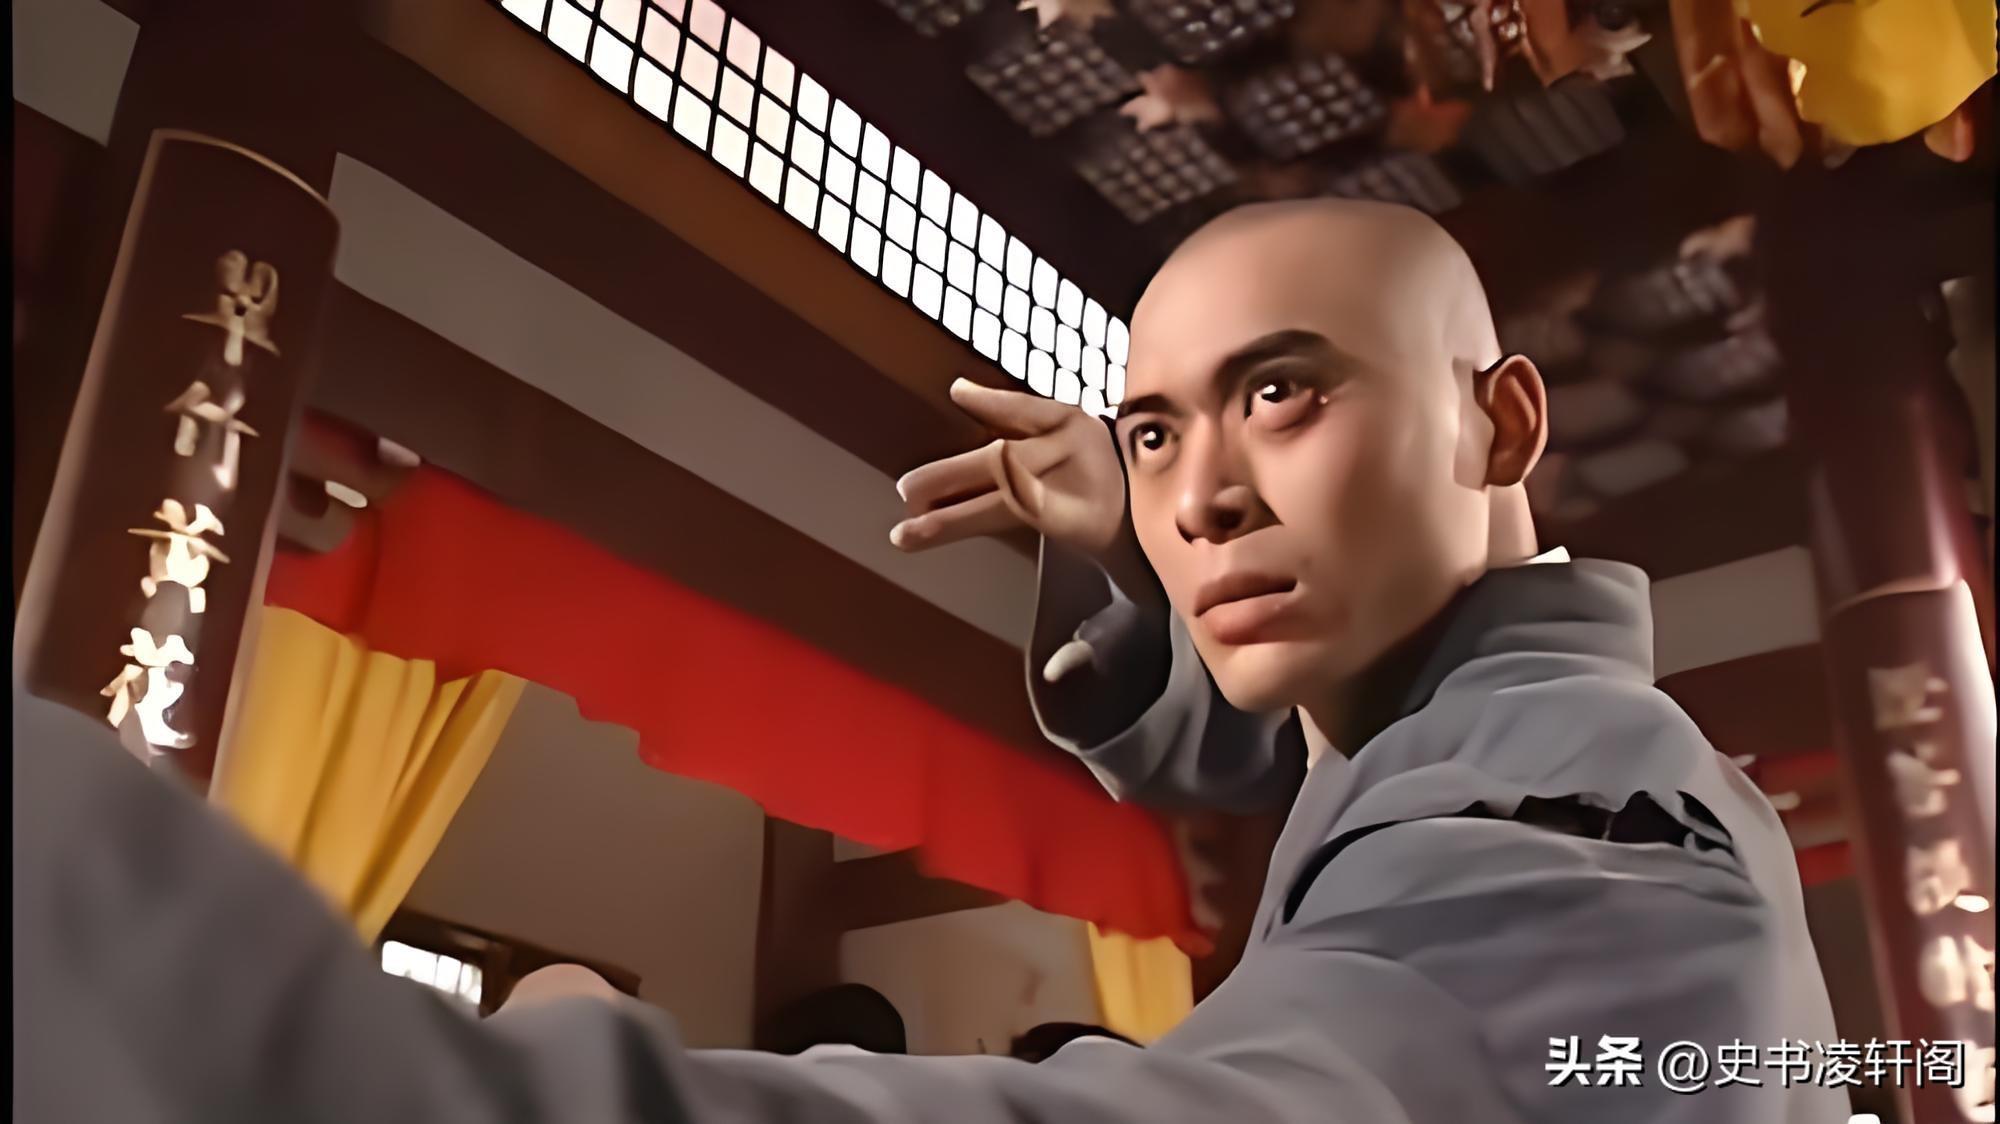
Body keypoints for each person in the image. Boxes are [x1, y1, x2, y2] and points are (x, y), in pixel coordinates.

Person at [13, 199, 1843, 1123]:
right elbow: (1239, 750)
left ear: (1500, 422)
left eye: (1284, 393)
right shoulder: (1441, 725)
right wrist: (1104, 546)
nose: (1200, 494)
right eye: (1156, 432)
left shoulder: (1586, 810)